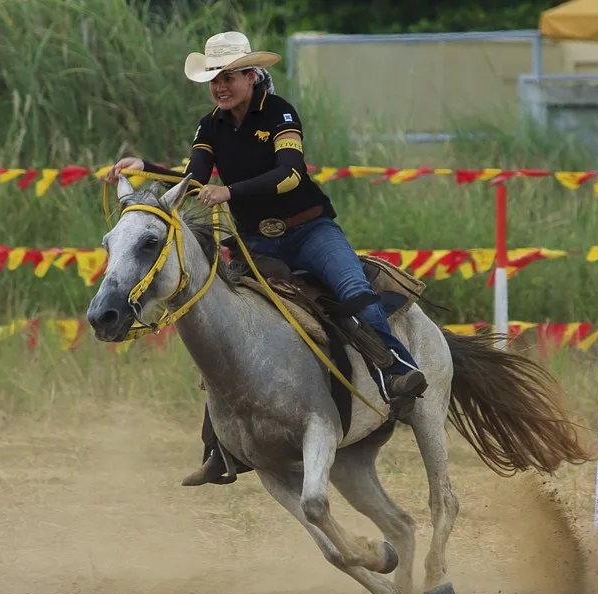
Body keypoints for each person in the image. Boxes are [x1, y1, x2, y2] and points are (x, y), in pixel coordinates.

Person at [103, 31, 428, 487]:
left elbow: (291, 174)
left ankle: (396, 370)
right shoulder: (210, 125)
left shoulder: (280, 113)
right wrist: (147, 168)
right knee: (224, 319)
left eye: (229, 76)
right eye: (214, 77)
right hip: (256, 242)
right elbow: (194, 177)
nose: (220, 85)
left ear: (252, 75)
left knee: (352, 289)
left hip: (309, 230)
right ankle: (218, 442)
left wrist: (230, 191)